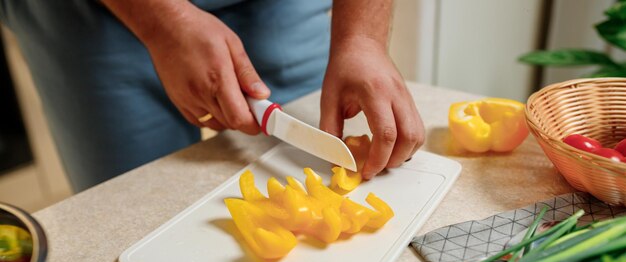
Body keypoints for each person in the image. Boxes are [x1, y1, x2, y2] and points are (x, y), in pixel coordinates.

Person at [0, 0, 424, 192]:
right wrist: (164, 20)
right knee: (136, 210)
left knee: (315, 166)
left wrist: (361, 37)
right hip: (90, 15)